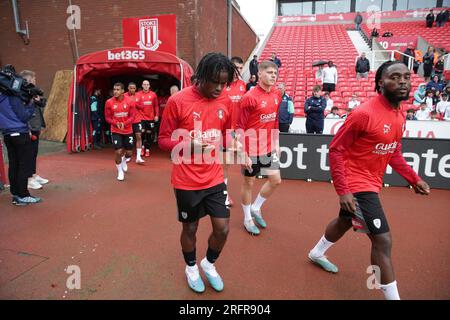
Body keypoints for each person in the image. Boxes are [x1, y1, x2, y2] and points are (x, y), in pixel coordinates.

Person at [308, 61, 430, 300]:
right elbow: (336, 150)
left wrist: (414, 179)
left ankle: (316, 253)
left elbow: (393, 152)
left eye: (406, 76)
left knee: (344, 221)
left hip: (371, 182)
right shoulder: (363, 113)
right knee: (382, 240)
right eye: (395, 77)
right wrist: (344, 191)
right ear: (380, 83)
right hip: (357, 185)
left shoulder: (399, 114)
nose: (403, 81)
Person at [158, 52, 238, 293]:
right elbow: (162, 140)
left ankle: (209, 264)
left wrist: (234, 141)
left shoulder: (225, 100)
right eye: (215, 81)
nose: (219, 88)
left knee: (222, 227)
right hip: (186, 180)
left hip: (213, 176)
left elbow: (226, 132)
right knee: (190, 228)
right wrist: (187, 145)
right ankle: (191, 267)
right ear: (200, 77)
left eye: (224, 83)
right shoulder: (178, 101)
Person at [236, 60, 282, 236]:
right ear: (260, 74)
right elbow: (239, 126)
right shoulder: (249, 97)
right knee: (249, 183)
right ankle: (247, 218)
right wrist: (243, 153)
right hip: (251, 148)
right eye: (269, 72)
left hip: (269, 146)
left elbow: (275, 119)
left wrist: (276, 141)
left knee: (275, 180)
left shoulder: (277, 94)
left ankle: (256, 207)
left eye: (275, 73)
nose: (273, 76)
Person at [0, 71, 41, 205]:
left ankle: (16, 194)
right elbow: (24, 116)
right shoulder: (13, 96)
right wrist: (31, 104)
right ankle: (23, 195)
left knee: (14, 165)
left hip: (7, 134)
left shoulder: (2, 96)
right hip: (19, 133)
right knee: (23, 165)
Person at [223, 56, 247, 207]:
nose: (238, 71)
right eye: (235, 67)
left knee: (239, 163)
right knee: (224, 163)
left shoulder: (243, 85)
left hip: (238, 131)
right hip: (223, 130)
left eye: (240, 68)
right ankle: (223, 194)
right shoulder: (221, 84)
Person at [20, 70, 49, 190]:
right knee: (29, 153)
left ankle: (33, 174)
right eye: (33, 79)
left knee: (34, 153)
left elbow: (42, 103)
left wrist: (37, 100)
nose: (35, 81)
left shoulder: (33, 92)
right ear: (27, 80)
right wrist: (28, 128)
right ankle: (28, 179)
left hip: (36, 125)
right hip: (29, 127)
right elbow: (22, 112)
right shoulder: (21, 94)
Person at [104, 83, 136, 181]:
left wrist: (125, 123)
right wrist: (115, 123)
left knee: (129, 153)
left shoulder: (130, 101)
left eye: (118, 89)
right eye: (114, 89)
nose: (115, 91)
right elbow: (107, 117)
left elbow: (132, 116)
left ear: (122, 91)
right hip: (115, 130)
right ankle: (120, 171)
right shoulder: (109, 102)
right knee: (118, 152)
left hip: (128, 130)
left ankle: (124, 161)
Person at [136, 80, 159, 158]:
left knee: (149, 133)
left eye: (147, 84)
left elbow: (156, 106)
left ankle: (147, 150)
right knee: (141, 132)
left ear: (149, 86)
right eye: (144, 84)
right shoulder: (138, 94)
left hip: (150, 118)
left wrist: (157, 115)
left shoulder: (153, 95)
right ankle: (142, 147)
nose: (146, 86)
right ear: (142, 85)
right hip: (141, 117)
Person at [124, 82, 144, 164]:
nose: (132, 89)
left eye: (134, 88)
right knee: (128, 139)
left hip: (137, 120)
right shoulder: (124, 96)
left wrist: (135, 103)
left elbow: (142, 107)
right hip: (128, 120)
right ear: (128, 88)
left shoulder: (139, 96)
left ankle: (138, 157)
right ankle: (128, 156)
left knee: (138, 136)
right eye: (131, 88)